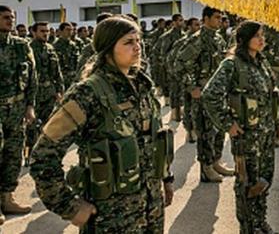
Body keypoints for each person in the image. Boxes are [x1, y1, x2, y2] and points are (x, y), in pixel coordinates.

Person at [30, 16, 175, 233]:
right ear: (108, 48)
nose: (138, 47)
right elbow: (43, 156)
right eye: (128, 42)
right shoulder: (87, 93)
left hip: (151, 210)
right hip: (110, 219)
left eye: (138, 40)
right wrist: (68, 206)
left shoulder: (143, 86)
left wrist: (166, 177)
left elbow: (154, 139)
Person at [203, 21, 277, 234]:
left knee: (263, 181)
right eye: (257, 36)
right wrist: (228, 124)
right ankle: (247, 228)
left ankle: (259, 221)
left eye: (263, 35)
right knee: (247, 184)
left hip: (264, 134)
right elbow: (210, 95)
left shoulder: (260, 62)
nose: (262, 39)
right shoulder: (232, 64)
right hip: (246, 137)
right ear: (244, 40)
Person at [174, 6, 233, 182]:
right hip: (204, 94)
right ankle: (206, 168)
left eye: (221, 17)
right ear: (205, 19)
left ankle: (216, 161)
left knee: (219, 128)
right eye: (216, 17)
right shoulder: (198, 40)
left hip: (218, 93)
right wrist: (192, 87)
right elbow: (178, 64)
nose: (220, 21)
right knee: (206, 131)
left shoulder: (219, 39)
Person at [0, 5, 37, 225]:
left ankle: (7, 198)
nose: (10, 21)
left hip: (15, 109)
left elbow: (33, 78)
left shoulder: (22, 46)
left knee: (13, 154)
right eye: (5, 18)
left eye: (12, 18)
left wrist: (30, 106)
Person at [25, 22, 64, 166]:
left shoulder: (50, 48)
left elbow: (57, 72)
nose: (45, 34)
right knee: (32, 126)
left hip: (49, 93)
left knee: (49, 125)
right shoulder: (27, 48)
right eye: (42, 31)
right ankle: (29, 155)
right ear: (34, 32)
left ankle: (45, 154)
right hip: (34, 93)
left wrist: (60, 91)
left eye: (47, 31)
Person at [54, 22, 80, 88]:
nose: (70, 32)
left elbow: (77, 61)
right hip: (62, 78)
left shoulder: (73, 45)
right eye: (67, 30)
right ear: (61, 31)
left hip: (73, 78)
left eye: (71, 30)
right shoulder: (55, 46)